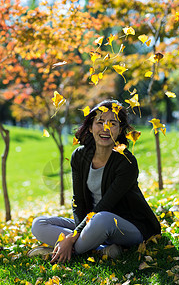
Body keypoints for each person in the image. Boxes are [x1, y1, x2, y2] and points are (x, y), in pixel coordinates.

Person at [30, 99, 161, 263]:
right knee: (39, 224)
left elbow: (105, 206)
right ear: (90, 127)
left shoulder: (126, 161)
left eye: (112, 123)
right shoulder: (79, 156)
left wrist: (72, 237)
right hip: (91, 224)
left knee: (102, 218)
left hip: (126, 226)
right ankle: (101, 250)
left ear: (120, 130)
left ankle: (56, 252)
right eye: (100, 122)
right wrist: (78, 232)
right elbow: (78, 201)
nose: (106, 128)